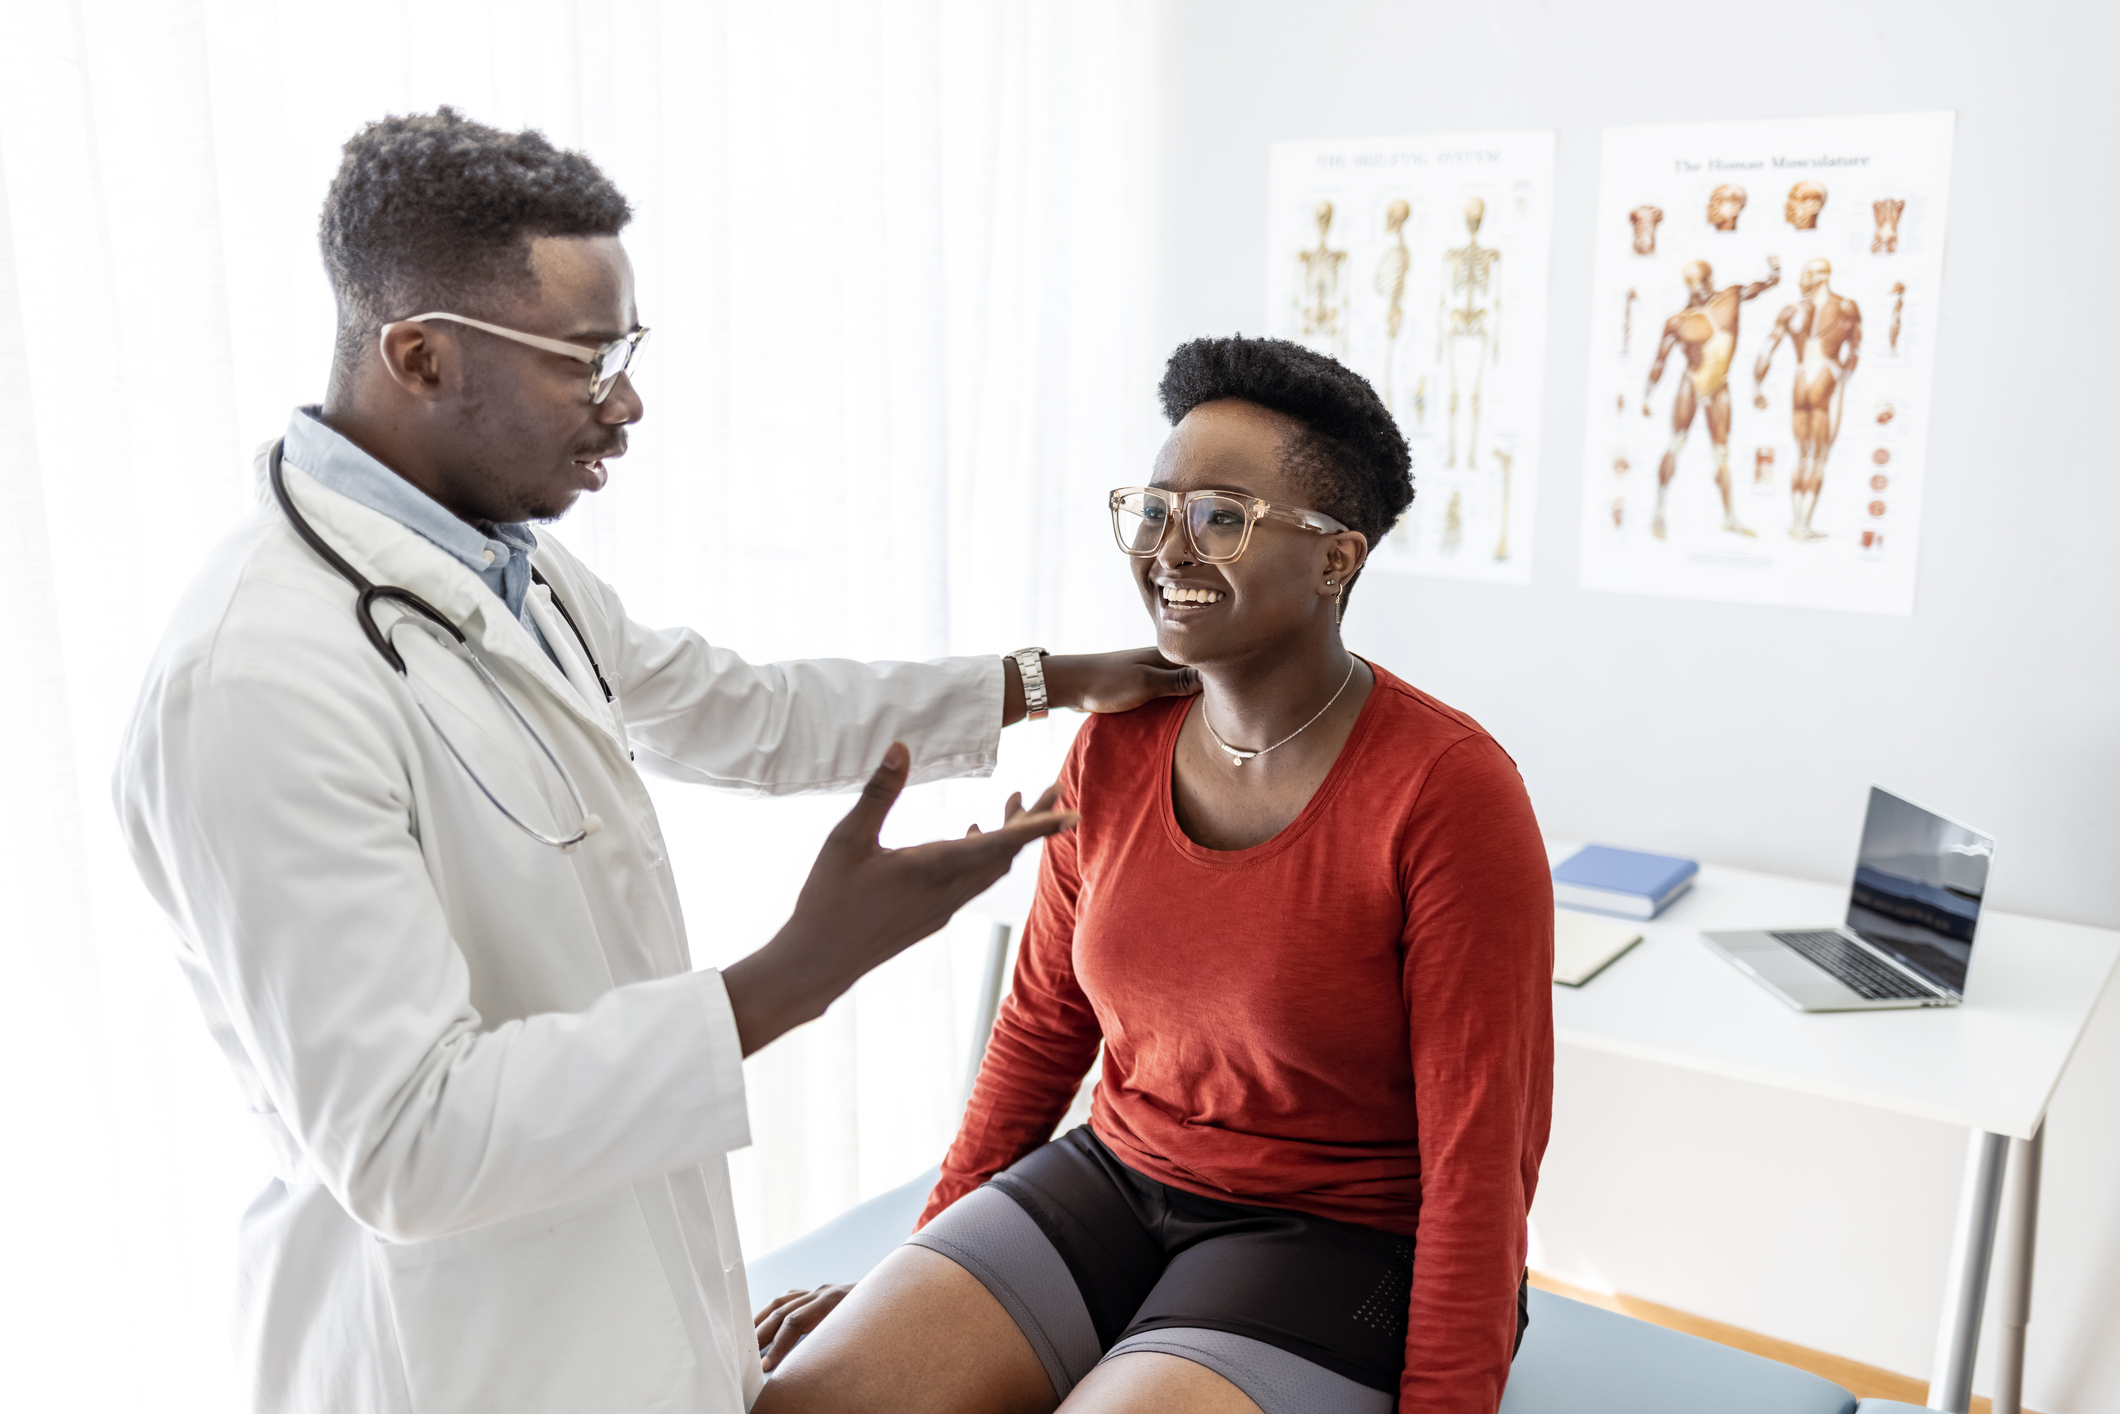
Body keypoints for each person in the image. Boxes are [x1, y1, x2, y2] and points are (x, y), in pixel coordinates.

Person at [112, 107, 1196, 1414]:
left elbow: (738, 709)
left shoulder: (504, 567)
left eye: (625, 350)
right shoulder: (254, 682)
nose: (627, 402)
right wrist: (794, 973)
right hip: (450, 1356)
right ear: (420, 356)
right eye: (585, 359)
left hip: (611, 1300)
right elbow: (406, 1141)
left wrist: (1046, 679)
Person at [752, 336, 1554, 1414]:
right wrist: (917, 1262)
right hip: (1119, 1179)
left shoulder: (1450, 791)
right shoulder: (1117, 744)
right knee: (806, 1403)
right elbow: (1039, 1030)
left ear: (1335, 559)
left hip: (1338, 1233)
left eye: (1221, 516)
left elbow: (1480, 1149)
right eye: (1154, 509)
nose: (1168, 547)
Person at [1643, 255, 1781, 540]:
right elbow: (1660, 360)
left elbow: (1760, 287)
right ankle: (1658, 510)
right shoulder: (1678, 321)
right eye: (1691, 282)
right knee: (1676, 442)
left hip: (1719, 385)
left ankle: (1729, 517)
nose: (1696, 287)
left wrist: (1774, 273)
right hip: (1691, 383)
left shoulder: (1730, 297)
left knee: (1722, 454)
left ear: (1711, 279)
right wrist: (1647, 393)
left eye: (1701, 280)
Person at [1752, 257, 1862, 541]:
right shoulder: (1846, 306)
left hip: (1800, 378)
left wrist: (1756, 387)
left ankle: (1796, 522)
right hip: (1826, 374)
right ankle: (1803, 525)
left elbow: (1766, 351)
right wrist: (1842, 378)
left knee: (1802, 456)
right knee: (1819, 458)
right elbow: (1854, 352)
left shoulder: (1790, 311)